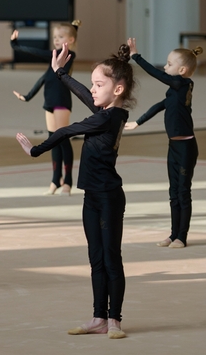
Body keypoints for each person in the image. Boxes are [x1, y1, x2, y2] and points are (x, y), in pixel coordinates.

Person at [16, 43, 135, 339]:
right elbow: (82, 92)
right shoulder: (108, 110)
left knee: (111, 258)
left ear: (118, 90)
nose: (92, 89)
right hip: (92, 197)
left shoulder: (107, 118)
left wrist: (36, 151)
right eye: (93, 83)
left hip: (108, 197)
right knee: (96, 259)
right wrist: (60, 72)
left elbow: (66, 130)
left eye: (99, 84)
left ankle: (114, 319)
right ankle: (98, 317)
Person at [125, 39, 201, 248]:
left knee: (183, 192)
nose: (165, 67)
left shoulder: (182, 83)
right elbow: (160, 106)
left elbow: (157, 74)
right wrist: (138, 122)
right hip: (174, 147)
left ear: (182, 70)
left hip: (186, 148)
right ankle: (173, 233)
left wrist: (136, 57)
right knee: (173, 193)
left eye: (169, 64)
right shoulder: (174, 90)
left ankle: (181, 236)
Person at [11, 20, 80, 195]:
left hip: (61, 102)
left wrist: (17, 46)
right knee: (52, 141)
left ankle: (68, 181)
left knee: (63, 140)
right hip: (49, 102)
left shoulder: (67, 55)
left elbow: (37, 52)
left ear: (71, 40)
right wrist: (27, 96)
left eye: (61, 37)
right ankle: (55, 180)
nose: (56, 40)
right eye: (55, 37)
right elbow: (44, 79)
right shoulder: (54, 59)